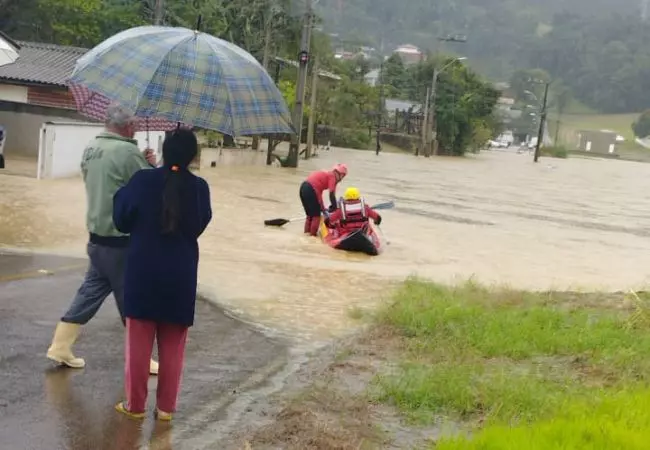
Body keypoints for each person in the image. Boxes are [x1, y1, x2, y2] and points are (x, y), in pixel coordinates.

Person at [45, 105, 159, 374]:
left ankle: (60, 346)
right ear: (127, 126)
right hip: (121, 240)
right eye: (133, 125)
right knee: (132, 300)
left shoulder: (92, 148)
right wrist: (151, 165)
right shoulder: (128, 151)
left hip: (97, 237)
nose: (135, 128)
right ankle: (141, 358)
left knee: (89, 292)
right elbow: (150, 188)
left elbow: (113, 180)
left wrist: (140, 162)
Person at [112, 128, 212, 420]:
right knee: (173, 349)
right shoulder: (200, 188)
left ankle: (135, 406)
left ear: (164, 151)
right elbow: (199, 225)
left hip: (143, 274)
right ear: (193, 156)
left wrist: (140, 176)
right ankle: (166, 409)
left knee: (138, 346)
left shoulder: (143, 180)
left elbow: (121, 219)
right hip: (180, 277)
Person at [299, 164, 348, 236]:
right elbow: (331, 194)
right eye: (343, 176)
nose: (341, 179)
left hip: (303, 187)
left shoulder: (327, 175)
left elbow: (318, 195)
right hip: (311, 190)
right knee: (316, 216)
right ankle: (312, 237)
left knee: (310, 216)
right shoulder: (332, 177)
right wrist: (334, 208)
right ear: (339, 174)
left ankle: (306, 235)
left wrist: (323, 209)